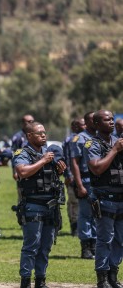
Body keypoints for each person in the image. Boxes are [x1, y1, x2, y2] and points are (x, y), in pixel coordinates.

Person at [13, 121, 66, 288]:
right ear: (29, 136)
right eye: (39, 133)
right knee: (31, 246)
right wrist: (43, 161)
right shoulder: (22, 153)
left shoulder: (49, 153)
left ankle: (41, 280)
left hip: (51, 206)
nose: (44, 135)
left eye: (44, 132)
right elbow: (22, 172)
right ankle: (26, 281)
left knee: (46, 246)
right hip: (33, 204)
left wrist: (58, 169)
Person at [86, 110, 123, 288]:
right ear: (96, 124)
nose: (111, 122)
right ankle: (102, 278)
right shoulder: (92, 144)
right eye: (106, 119)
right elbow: (97, 169)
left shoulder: (118, 142)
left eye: (112, 119)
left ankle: (113, 274)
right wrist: (115, 151)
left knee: (120, 239)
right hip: (104, 198)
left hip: (121, 198)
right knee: (105, 239)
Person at [70, 112, 97, 259]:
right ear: (87, 122)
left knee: (97, 214)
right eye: (93, 119)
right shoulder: (79, 138)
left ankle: (95, 244)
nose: (96, 121)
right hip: (86, 181)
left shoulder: (101, 137)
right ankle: (86, 247)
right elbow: (74, 162)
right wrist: (79, 185)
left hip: (100, 182)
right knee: (85, 214)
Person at [63, 118, 85, 237]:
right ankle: (74, 226)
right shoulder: (70, 140)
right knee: (73, 202)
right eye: (82, 124)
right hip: (72, 177)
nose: (85, 126)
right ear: (75, 127)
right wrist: (68, 175)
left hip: (85, 177)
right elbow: (67, 158)